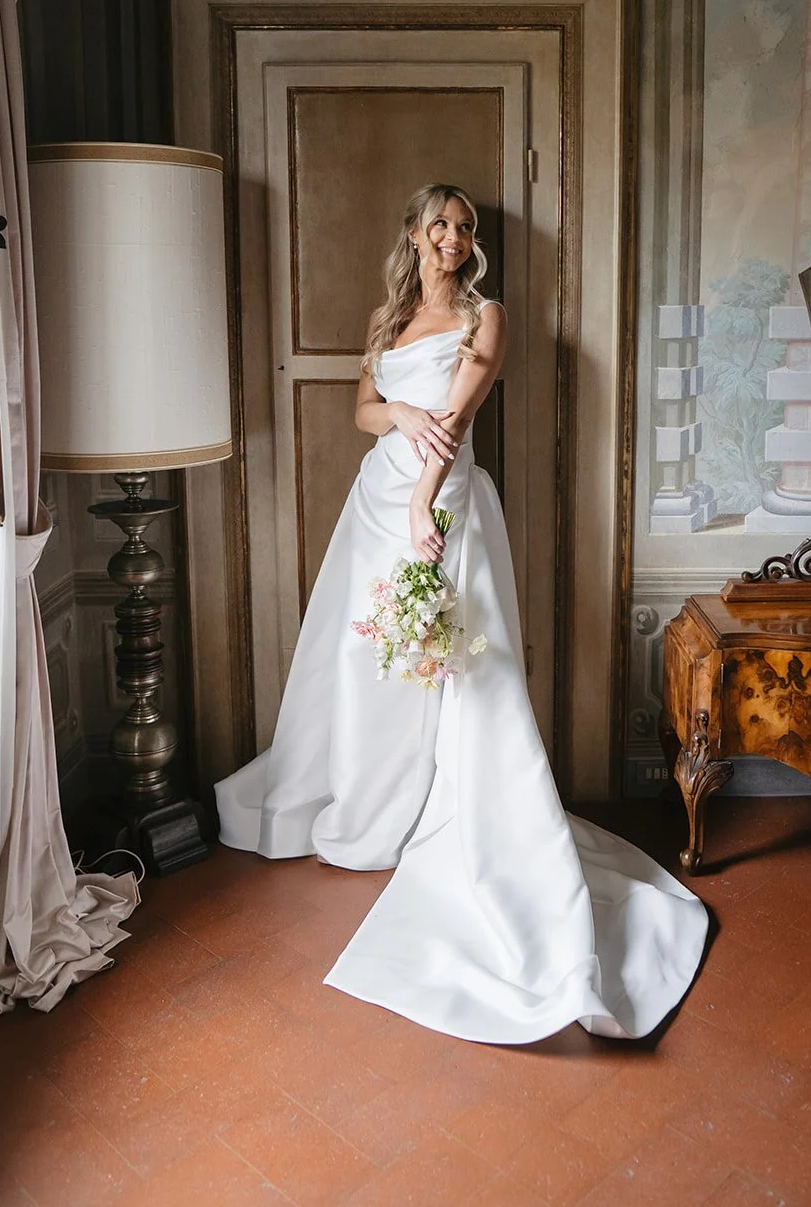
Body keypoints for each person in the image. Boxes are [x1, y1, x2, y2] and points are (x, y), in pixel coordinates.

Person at [216, 183, 708, 1043]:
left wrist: (425, 506)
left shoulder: (490, 316)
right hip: (373, 506)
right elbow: (365, 410)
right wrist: (395, 415)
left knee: (459, 666)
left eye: (464, 227)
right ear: (413, 233)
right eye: (438, 223)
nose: (452, 236)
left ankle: (451, 810)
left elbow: (460, 414)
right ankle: (372, 801)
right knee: (370, 659)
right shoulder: (386, 317)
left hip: (442, 509)